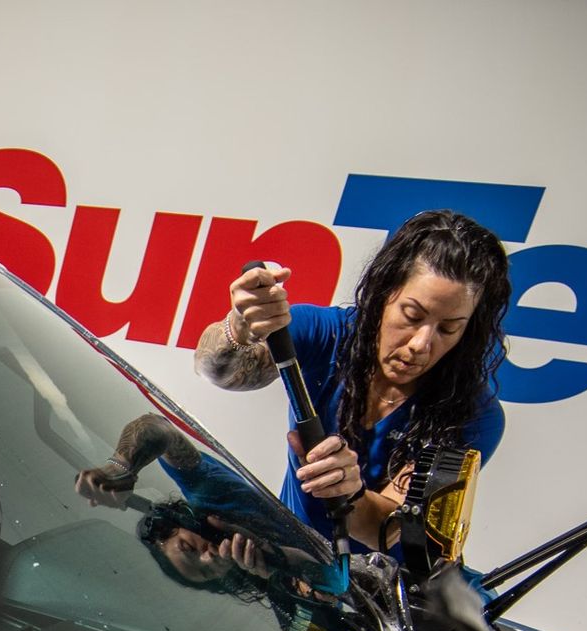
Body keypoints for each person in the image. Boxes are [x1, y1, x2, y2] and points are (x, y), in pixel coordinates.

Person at [190, 209, 512, 552]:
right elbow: (217, 371)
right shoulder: (326, 335)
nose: (421, 344)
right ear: (384, 293)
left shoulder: (475, 415)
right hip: (290, 558)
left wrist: (350, 494)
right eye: (412, 315)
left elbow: (386, 530)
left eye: (448, 329)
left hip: (371, 595)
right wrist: (240, 325)